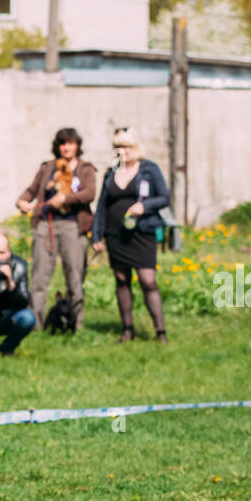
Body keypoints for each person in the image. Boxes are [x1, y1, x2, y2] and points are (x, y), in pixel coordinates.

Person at [91, 127, 170, 343]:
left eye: (125, 146)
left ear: (135, 147)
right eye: (117, 147)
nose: (122, 151)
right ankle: (127, 329)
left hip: (142, 232)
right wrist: (96, 236)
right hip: (115, 233)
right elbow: (102, 205)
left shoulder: (149, 169)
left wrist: (143, 207)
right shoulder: (112, 170)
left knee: (148, 280)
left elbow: (164, 197)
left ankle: (160, 331)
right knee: (121, 278)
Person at [15, 126, 96, 331]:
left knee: (75, 275)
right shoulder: (47, 168)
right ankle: (35, 323)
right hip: (46, 224)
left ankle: (75, 324)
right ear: (57, 146)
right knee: (40, 275)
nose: (66, 147)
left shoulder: (85, 169)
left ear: (77, 146)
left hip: (73, 226)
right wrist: (23, 201)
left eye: (70, 143)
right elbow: (32, 190)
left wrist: (66, 199)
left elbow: (89, 193)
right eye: (62, 143)